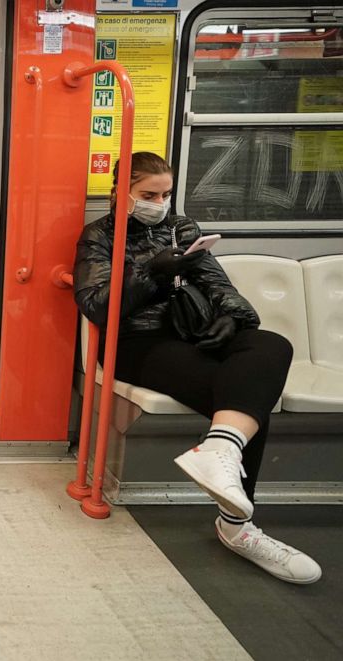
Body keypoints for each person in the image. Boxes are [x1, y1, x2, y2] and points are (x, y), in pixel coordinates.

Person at [73, 152, 321, 584]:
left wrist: (234, 318)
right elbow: (99, 306)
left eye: (166, 193)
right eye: (149, 194)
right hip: (139, 343)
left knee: (271, 346)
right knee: (245, 397)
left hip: (195, 331)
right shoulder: (99, 236)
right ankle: (237, 527)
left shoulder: (181, 227)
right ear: (121, 193)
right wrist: (153, 270)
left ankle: (221, 450)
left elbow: (217, 283)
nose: (160, 202)